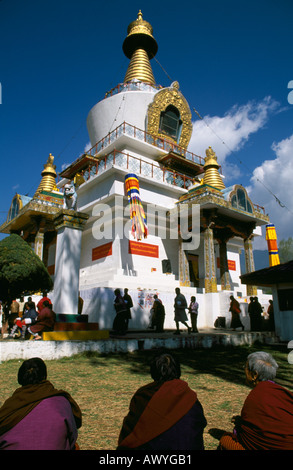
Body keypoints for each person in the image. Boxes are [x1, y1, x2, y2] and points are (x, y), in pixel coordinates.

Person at [117, 353, 207, 450]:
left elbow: (131, 433)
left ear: (153, 372)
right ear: (178, 370)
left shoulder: (144, 395)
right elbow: (198, 426)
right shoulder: (190, 397)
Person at [0, 357, 82, 450]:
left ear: (20, 378)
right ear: (44, 376)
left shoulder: (11, 405)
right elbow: (72, 435)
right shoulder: (61, 401)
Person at [219, 351, 293, 450]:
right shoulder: (281, 392)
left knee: (226, 440)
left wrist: (238, 427)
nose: (244, 371)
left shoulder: (256, 396)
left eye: (245, 368)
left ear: (254, 375)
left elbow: (246, 435)